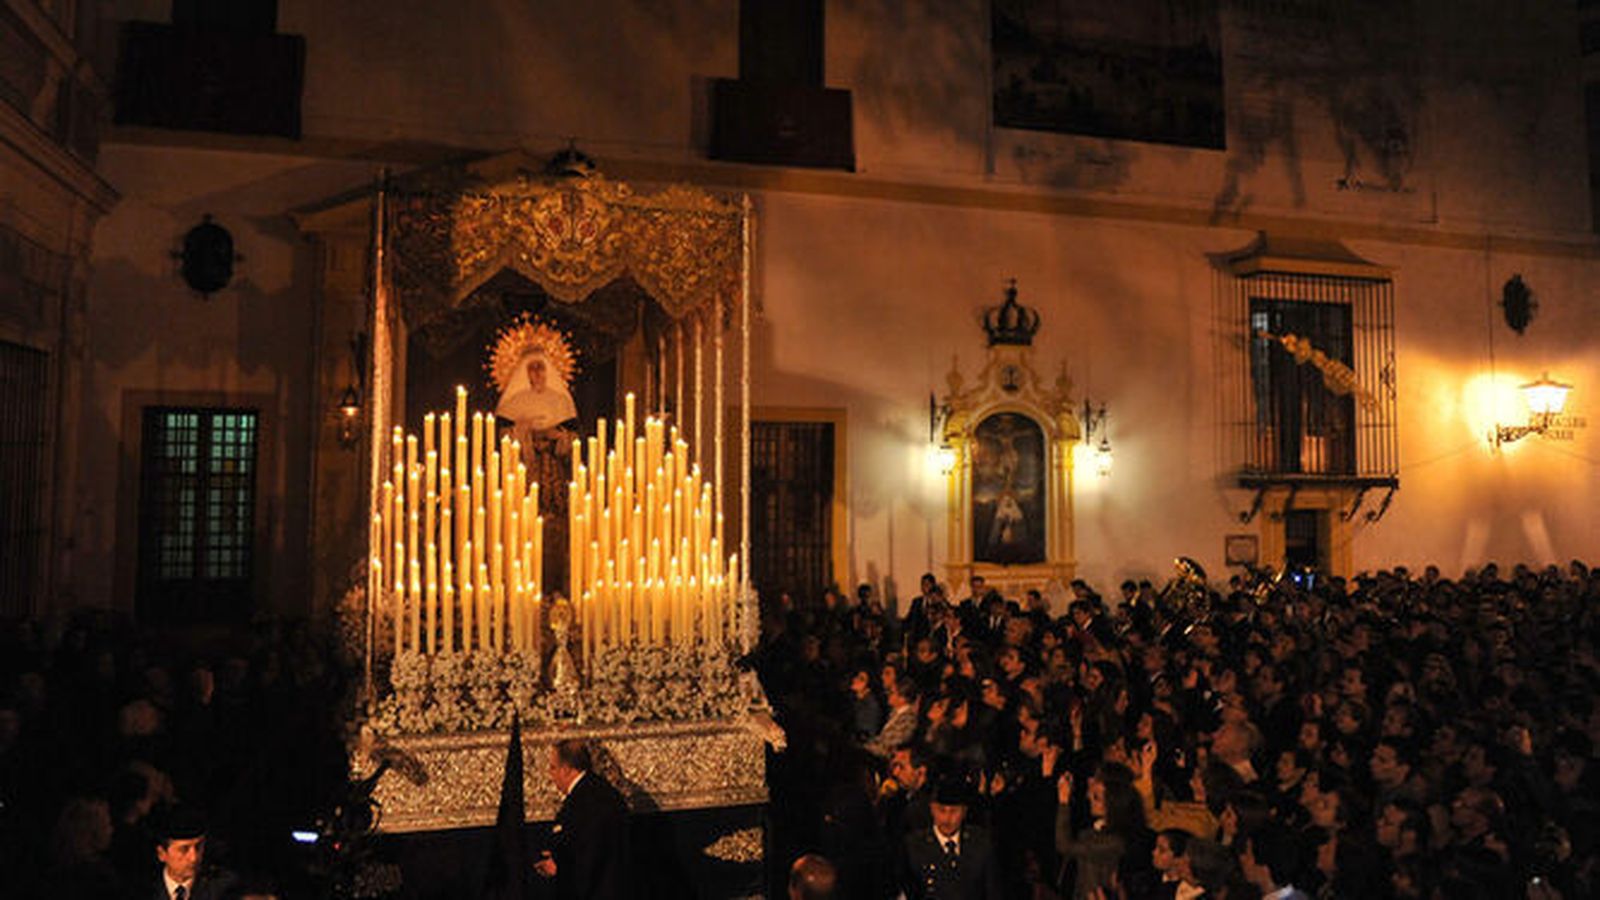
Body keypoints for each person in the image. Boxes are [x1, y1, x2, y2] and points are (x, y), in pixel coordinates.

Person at [535, 739, 630, 900]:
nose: (551, 775)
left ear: (566, 769)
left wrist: (559, 867)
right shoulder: (600, 790)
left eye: (553, 768)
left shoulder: (585, 800)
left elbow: (590, 852)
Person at [901, 778, 1000, 900]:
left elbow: (993, 891)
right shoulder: (914, 846)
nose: (947, 818)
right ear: (932, 809)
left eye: (954, 811)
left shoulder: (980, 842)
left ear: (964, 812)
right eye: (941, 810)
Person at [149, 805, 238, 900]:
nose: (194, 858)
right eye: (184, 849)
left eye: (198, 847)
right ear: (162, 854)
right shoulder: (144, 890)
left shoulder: (225, 887)